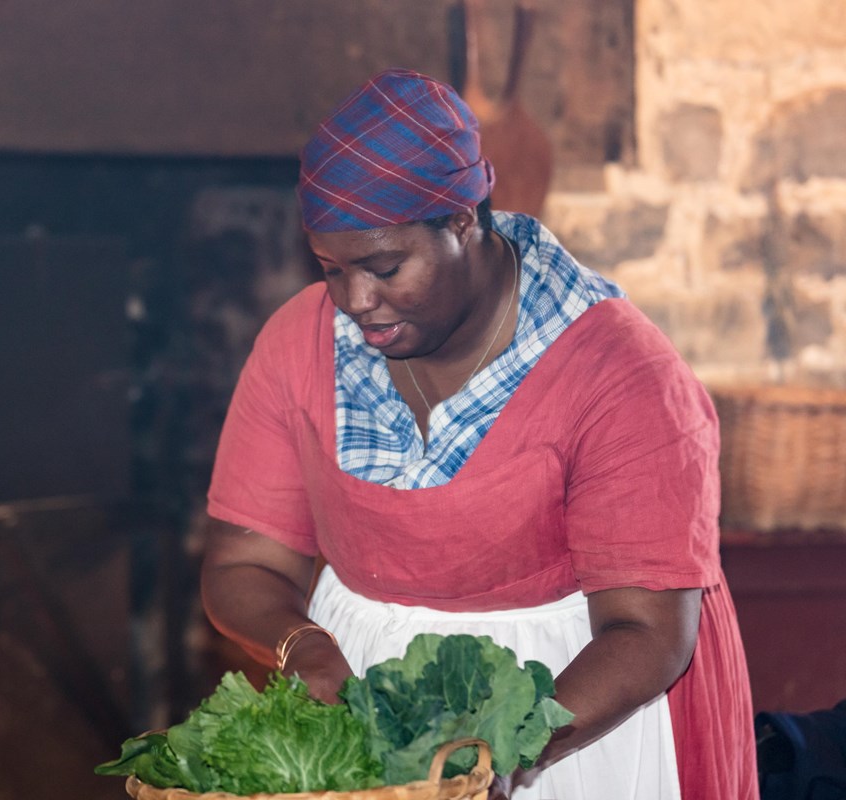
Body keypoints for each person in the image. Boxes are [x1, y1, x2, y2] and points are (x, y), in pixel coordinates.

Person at [200, 68, 758, 800]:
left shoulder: (620, 374)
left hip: (567, 721)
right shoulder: (300, 342)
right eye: (332, 269)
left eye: (384, 267)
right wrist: (302, 645)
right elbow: (246, 565)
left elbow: (646, 632)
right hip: (360, 710)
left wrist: (496, 754)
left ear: (463, 221)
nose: (354, 301)